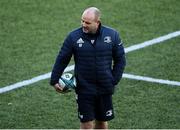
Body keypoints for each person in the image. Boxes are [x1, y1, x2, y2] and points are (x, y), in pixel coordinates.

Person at [50, 7, 126, 129]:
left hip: (104, 87)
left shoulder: (112, 35)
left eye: (87, 22)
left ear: (97, 22)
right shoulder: (73, 37)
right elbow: (62, 59)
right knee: (86, 124)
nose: (83, 25)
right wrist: (54, 80)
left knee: (102, 122)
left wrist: (113, 80)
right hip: (84, 88)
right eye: (82, 21)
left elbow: (120, 59)